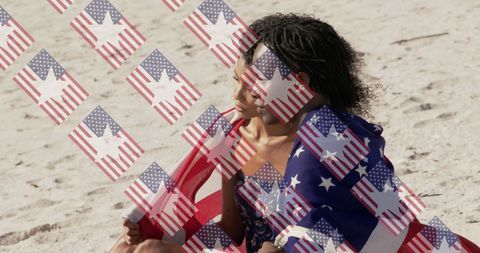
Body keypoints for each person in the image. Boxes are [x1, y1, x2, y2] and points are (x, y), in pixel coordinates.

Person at [109, 13, 479, 253]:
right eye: (237, 82)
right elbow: (233, 229)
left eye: (253, 83)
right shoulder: (239, 136)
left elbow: (346, 235)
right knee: (131, 249)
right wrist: (169, 238)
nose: (239, 96)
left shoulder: (334, 142)